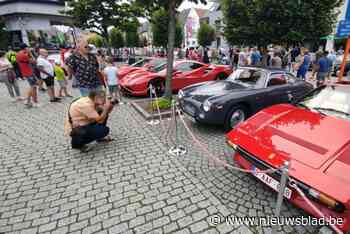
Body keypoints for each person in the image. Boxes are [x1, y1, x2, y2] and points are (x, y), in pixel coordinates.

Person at [16, 43, 39, 107]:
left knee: (33, 86)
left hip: (25, 71)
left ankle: (34, 101)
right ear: (25, 48)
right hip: (29, 72)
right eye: (28, 47)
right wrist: (30, 53)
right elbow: (34, 61)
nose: (29, 48)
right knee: (33, 86)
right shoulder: (25, 55)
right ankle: (29, 100)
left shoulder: (18, 54)